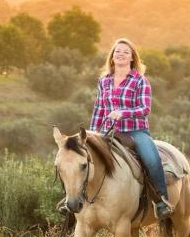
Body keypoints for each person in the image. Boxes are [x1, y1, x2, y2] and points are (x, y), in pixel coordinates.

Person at [59, 38, 173, 219]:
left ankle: (161, 201)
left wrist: (123, 113)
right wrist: (92, 135)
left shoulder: (140, 81)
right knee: (81, 160)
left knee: (152, 159)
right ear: (112, 57)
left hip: (136, 132)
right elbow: (99, 109)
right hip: (108, 133)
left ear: (132, 58)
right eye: (117, 51)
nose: (121, 54)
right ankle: (72, 198)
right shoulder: (104, 81)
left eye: (126, 52)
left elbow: (145, 109)